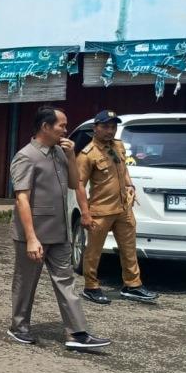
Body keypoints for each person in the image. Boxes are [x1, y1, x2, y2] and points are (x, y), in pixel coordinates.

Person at [9, 106, 111, 352]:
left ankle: (76, 332)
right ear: (45, 127)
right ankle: (19, 326)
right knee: (26, 282)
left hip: (59, 230)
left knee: (66, 280)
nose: (66, 130)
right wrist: (32, 238)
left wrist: (71, 156)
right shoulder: (26, 156)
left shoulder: (59, 152)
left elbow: (75, 183)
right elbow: (22, 198)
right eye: (61, 126)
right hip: (33, 233)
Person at [77, 110, 158, 305]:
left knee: (129, 248)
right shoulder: (87, 154)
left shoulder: (119, 146)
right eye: (105, 126)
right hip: (101, 210)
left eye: (113, 127)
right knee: (94, 251)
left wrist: (129, 185)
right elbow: (79, 185)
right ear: (95, 128)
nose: (109, 131)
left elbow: (124, 169)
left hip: (123, 209)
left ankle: (133, 285)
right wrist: (85, 214)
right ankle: (91, 287)